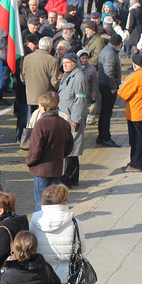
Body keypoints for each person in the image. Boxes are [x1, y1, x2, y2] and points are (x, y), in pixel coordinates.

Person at [25, 92, 73, 211]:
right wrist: (61, 155)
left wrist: (29, 161)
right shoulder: (64, 123)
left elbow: (36, 149)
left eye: (40, 107)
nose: (39, 109)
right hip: (57, 168)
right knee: (55, 200)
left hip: (42, 169)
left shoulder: (41, 124)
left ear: (44, 108)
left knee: (41, 201)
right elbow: (70, 145)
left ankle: (41, 225)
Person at [57, 52, 88, 186]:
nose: (64, 65)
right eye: (63, 63)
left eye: (68, 63)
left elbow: (80, 99)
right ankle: (73, 178)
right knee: (71, 149)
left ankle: (68, 178)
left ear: (74, 63)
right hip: (65, 116)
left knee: (70, 149)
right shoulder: (67, 75)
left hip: (72, 118)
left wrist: (75, 119)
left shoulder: (78, 77)